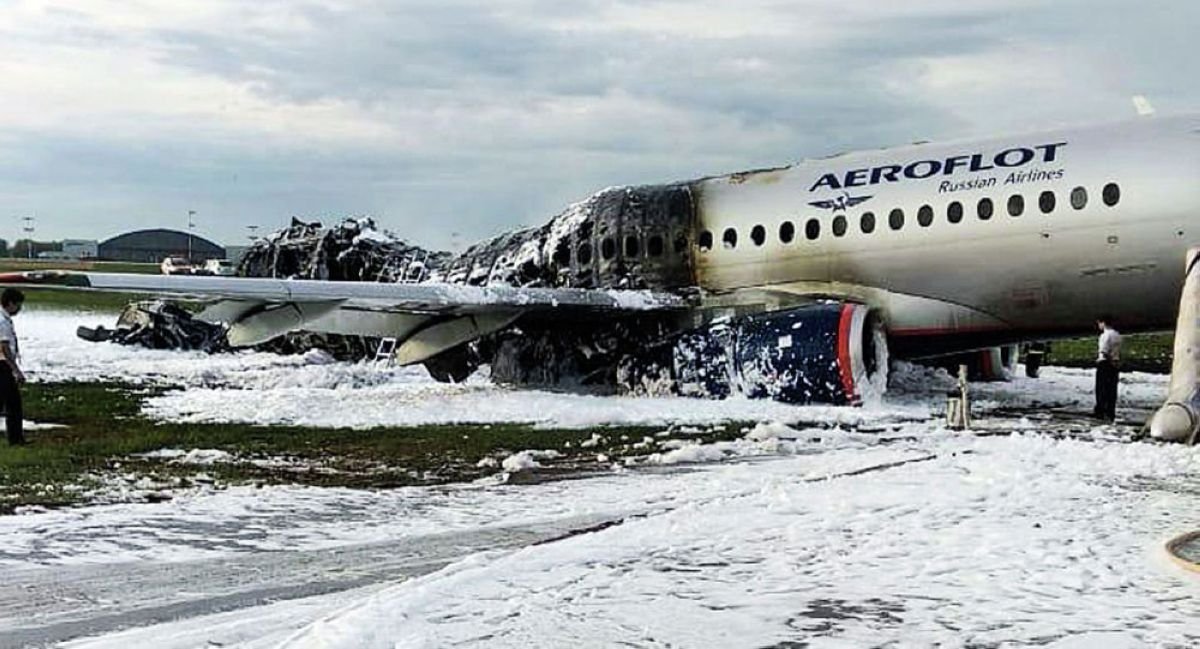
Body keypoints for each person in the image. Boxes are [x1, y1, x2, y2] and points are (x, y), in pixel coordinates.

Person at [0, 288, 26, 445]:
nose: (19, 309)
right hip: (3, 365)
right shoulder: (2, 321)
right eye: (18, 305)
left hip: (3, 364)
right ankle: (15, 439)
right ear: (10, 303)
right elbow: (4, 347)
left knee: (9, 402)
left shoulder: (4, 318)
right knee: (13, 403)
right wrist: (16, 370)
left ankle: (16, 438)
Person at [1093, 315, 1122, 422]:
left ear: (1103, 323)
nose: (1099, 326)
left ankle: (1100, 410)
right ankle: (1110, 411)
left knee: (1101, 388)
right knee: (1112, 389)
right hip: (1115, 363)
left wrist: (1108, 360)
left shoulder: (1105, 336)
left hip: (1105, 363)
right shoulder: (1117, 335)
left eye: (1099, 323)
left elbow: (1104, 351)